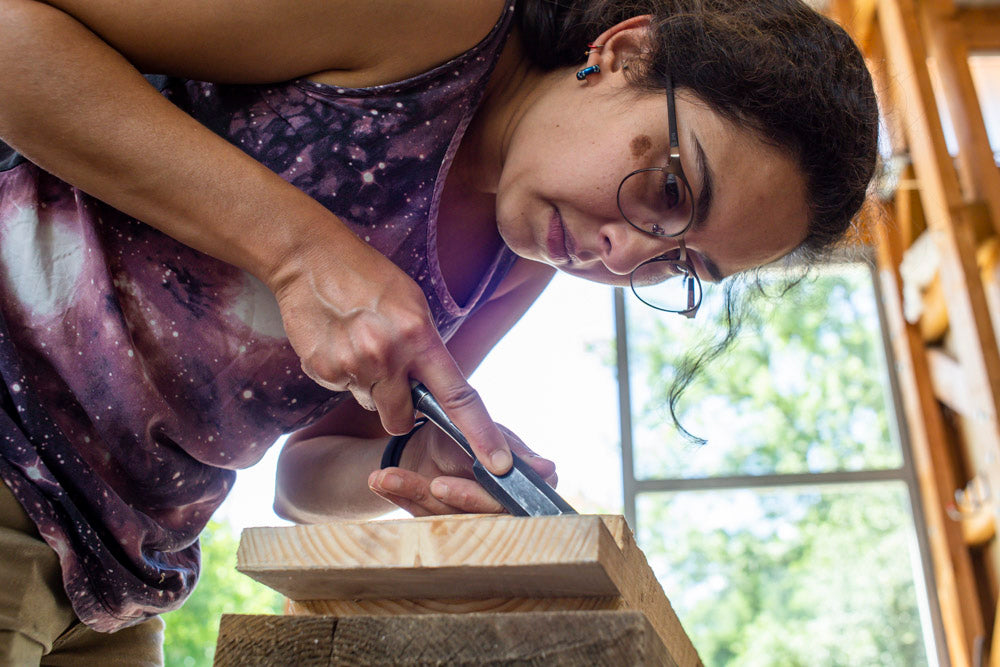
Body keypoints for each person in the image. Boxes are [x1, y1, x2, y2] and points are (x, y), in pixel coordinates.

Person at [0, 0, 878, 662]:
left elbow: (306, 474)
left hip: (116, 586)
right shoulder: (432, 26)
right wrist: (300, 249)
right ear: (624, 52)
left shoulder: (517, 262)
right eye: (672, 193)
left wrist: (414, 462)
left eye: (680, 266)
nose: (624, 255)